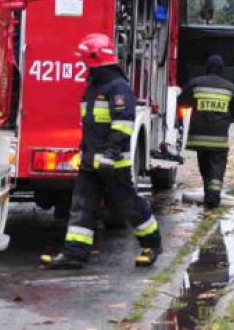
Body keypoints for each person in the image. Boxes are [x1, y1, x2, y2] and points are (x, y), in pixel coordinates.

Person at [42, 33, 162, 269]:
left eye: (86, 59)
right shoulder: (94, 87)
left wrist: (109, 154)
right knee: (82, 206)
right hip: (90, 163)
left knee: (128, 205)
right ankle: (75, 254)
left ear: (96, 59)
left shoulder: (118, 88)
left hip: (113, 164)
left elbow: (123, 124)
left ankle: (152, 244)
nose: (83, 64)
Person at [178, 54, 234, 208]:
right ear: (222, 70)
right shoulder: (230, 87)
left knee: (205, 165)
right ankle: (213, 198)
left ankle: (209, 194)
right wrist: (228, 121)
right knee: (217, 167)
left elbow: (181, 102)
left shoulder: (196, 83)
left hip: (198, 137)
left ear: (207, 67)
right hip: (219, 138)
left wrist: (185, 116)